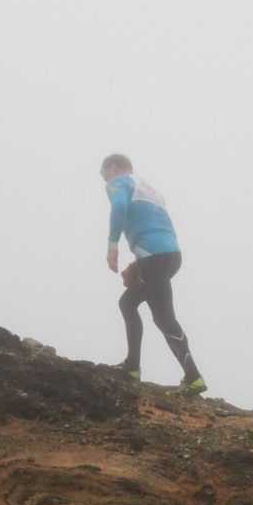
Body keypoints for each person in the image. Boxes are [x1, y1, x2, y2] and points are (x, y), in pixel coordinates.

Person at [100, 154, 206, 396]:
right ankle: (132, 367)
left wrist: (112, 246)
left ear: (113, 168)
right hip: (170, 254)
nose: (105, 182)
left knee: (164, 318)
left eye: (104, 176)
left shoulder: (119, 182)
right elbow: (155, 224)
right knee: (128, 303)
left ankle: (193, 378)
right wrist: (140, 264)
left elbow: (119, 207)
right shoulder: (150, 189)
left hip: (153, 257)